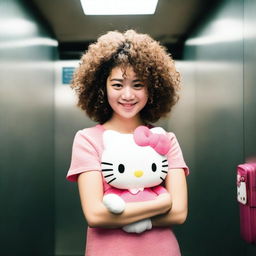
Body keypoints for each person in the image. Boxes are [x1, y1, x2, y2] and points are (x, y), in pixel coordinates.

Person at [66, 29, 189, 256]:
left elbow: (179, 213)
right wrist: (161, 204)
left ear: (152, 89)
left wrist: (121, 217)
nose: (128, 95)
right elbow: (95, 215)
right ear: (102, 88)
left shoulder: (165, 140)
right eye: (117, 85)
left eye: (138, 85)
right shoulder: (87, 140)